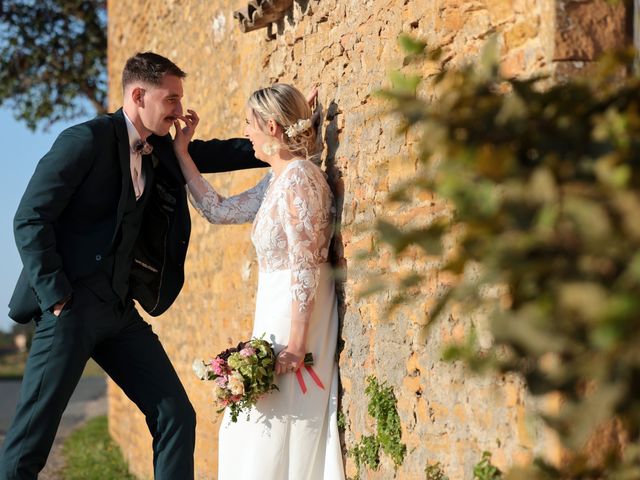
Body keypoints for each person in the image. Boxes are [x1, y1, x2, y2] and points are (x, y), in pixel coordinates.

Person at [0, 51, 268, 480]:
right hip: (69, 308)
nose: (180, 111)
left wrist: (284, 138)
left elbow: (211, 155)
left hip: (120, 311)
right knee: (32, 439)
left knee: (176, 414)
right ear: (139, 95)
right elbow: (29, 218)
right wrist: (56, 298)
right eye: (172, 100)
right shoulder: (84, 140)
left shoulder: (160, 148)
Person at [172, 84, 345, 479]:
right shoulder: (277, 180)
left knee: (273, 432)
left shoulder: (300, 177)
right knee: (251, 431)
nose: (246, 131)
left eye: (250, 123)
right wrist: (182, 153)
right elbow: (220, 210)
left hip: (295, 321)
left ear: (271, 126)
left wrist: (299, 344)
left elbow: (307, 263)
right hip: (272, 316)